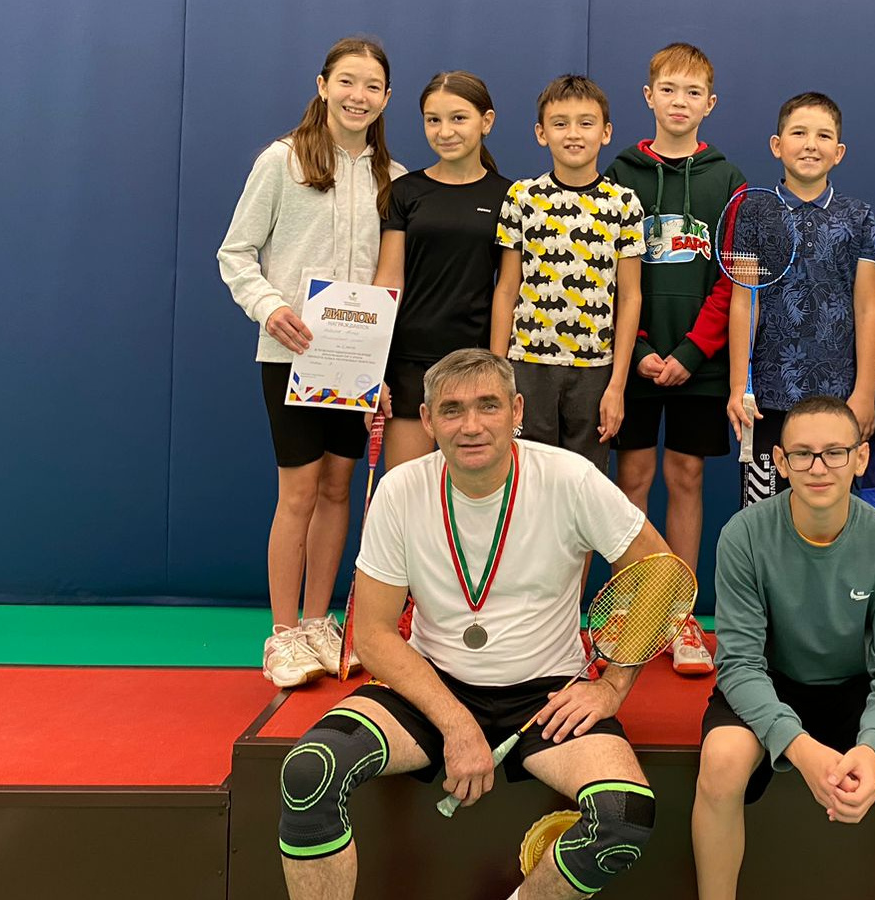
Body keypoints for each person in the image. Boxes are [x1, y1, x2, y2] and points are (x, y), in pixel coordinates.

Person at [277, 349, 669, 899]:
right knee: (309, 772)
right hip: (431, 687)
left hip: (545, 698)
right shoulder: (400, 489)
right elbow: (373, 634)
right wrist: (457, 724)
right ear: (427, 419)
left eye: (488, 406)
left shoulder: (571, 478)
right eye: (452, 409)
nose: (471, 425)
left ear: (517, 411)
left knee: (623, 818)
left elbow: (661, 577)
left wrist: (612, 687)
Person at [693, 396, 875, 900]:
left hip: (858, 687)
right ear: (781, 462)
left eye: (835, 452)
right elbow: (738, 665)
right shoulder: (743, 536)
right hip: (771, 682)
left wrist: (872, 751)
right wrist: (800, 748)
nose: (818, 467)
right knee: (720, 762)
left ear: (861, 458)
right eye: (802, 454)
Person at [217, 36, 405, 687]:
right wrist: (270, 307)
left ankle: (321, 621)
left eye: (372, 86)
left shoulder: (393, 177)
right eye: (347, 81)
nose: (358, 96)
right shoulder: (282, 161)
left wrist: (382, 363)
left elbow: (393, 279)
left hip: (357, 362)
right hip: (291, 353)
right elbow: (235, 254)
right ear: (323, 85)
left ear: (386, 98)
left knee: (336, 487)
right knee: (297, 490)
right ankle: (283, 634)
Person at [604, 43, 747, 676]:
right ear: (649, 96)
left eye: (693, 93)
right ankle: (633, 607)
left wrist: (692, 351)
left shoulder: (727, 180)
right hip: (631, 360)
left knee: (686, 477)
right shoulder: (619, 174)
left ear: (710, 104)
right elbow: (607, 275)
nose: (679, 102)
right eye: (668, 89)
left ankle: (679, 615)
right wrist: (637, 352)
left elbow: (733, 280)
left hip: (700, 365)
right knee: (632, 479)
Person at [726, 92, 875, 507]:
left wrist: (864, 392)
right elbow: (745, 302)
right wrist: (739, 386)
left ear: (839, 152)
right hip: (767, 397)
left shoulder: (858, 216)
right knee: (763, 513)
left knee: (829, 513)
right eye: (799, 133)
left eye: (823, 136)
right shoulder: (753, 211)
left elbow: (868, 309)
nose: (811, 144)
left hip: (839, 397)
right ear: (777, 145)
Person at [490, 75, 643, 474]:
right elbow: (506, 288)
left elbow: (630, 297)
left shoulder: (623, 204)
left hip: (594, 370)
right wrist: (497, 373)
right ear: (541, 133)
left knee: (584, 483)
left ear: (605, 132)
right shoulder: (522, 198)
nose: (573, 134)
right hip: (527, 364)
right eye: (560, 123)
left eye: (585, 123)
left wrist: (617, 385)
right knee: (527, 478)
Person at [371, 71, 512, 468]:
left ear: (486, 121)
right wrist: (372, 368)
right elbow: (388, 283)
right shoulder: (405, 191)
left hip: (473, 363)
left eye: (458, 118)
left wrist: (496, 368)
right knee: (404, 489)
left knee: (473, 492)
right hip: (408, 364)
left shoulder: (509, 196)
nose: (444, 131)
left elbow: (508, 290)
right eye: (433, 120)